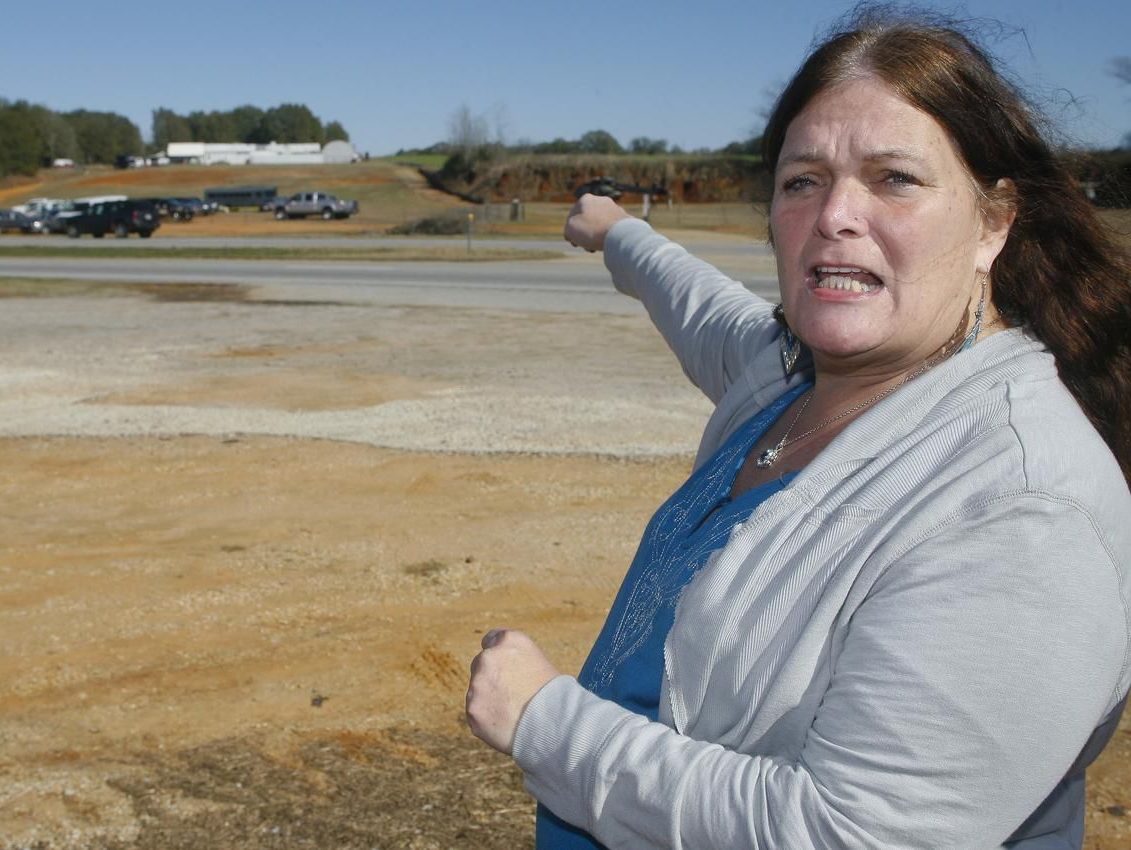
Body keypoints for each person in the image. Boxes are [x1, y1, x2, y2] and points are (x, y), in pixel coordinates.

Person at [466, 9, 1131, 849]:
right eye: (802, 180)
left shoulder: (1021, 506)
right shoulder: (788, 378)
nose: (835, 215)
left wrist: (544, 724)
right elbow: (697, 303)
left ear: (993, 225)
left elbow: (850, 833)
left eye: (894, 178)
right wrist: (615, 233)